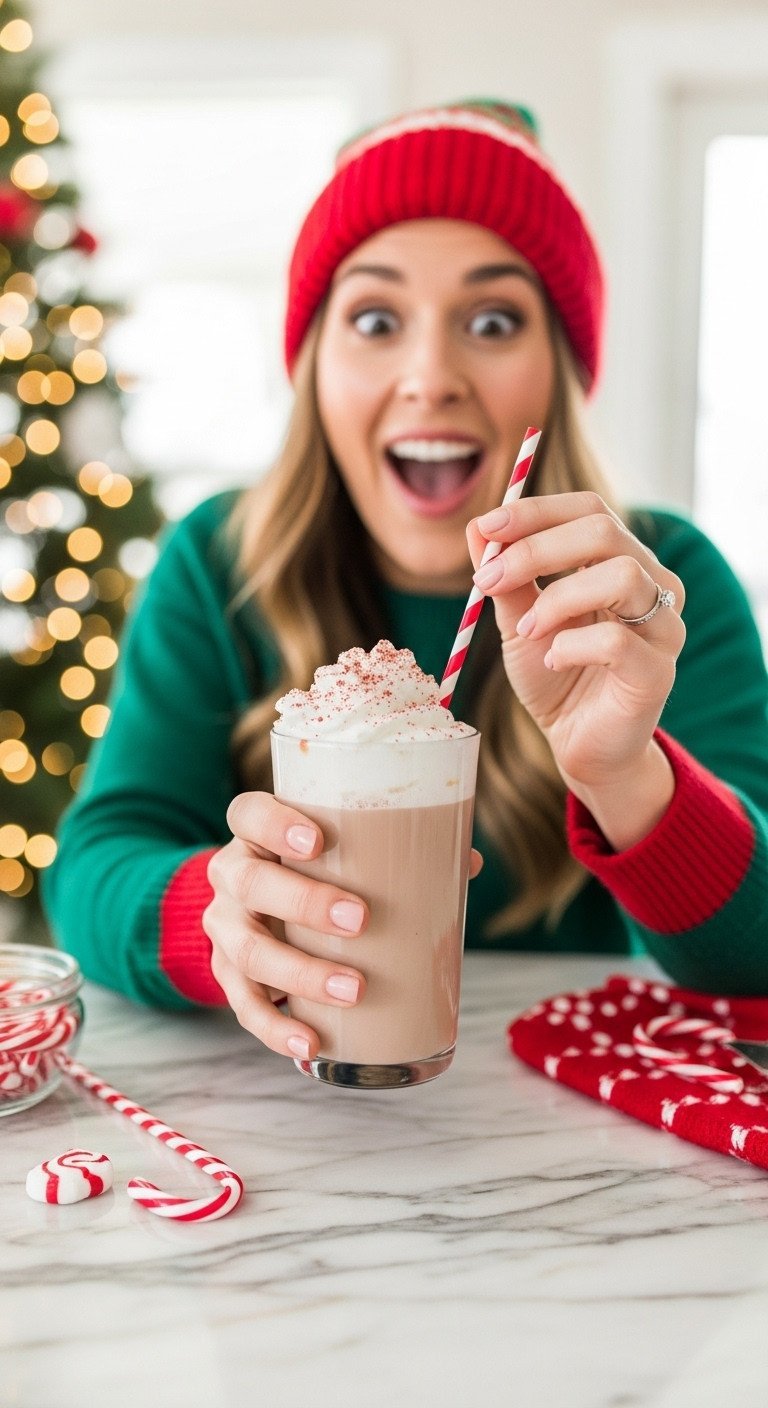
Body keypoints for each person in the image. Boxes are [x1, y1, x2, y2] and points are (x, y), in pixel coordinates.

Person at [44, 98, 768, 1064]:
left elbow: (757, 954)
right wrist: (215, 914)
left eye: (494, 319)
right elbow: (97, 863)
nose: (431, 375)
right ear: (314, 367)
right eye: (377, 317)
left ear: (558, 369)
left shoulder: (647, 593)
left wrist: (624, 775)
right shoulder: (218, 563)